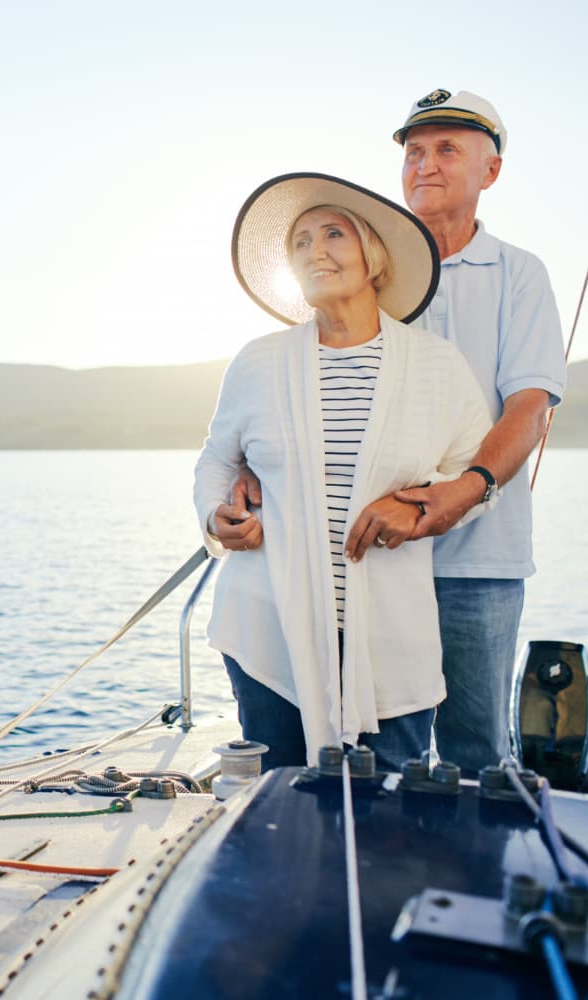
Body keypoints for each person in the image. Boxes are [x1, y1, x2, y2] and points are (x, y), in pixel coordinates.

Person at [225, 93, 568, 773]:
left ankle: (461, 880)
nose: (425, 165)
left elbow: (529, 408)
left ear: (490, 172)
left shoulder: (519, 274)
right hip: (363, 565)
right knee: (362, 753)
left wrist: (462, 491)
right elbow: (307, 393)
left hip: (476, 563)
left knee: (473, 752)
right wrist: (260, 467)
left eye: (448, 150)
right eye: (414, 151)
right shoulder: (362, 264)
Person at [195, 173, 491, 771]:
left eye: (333, 233)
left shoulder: (437, 366)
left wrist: (419, 510)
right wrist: (218, 516)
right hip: (268, 627)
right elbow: (216, 460)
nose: (314, 250)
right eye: (300, 242)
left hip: (390, 636)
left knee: (388, 828)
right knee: (280, 810)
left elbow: (472, 482)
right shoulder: (258, 363)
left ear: (373, 257)